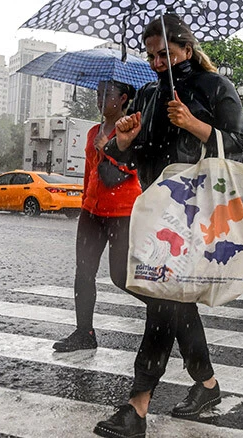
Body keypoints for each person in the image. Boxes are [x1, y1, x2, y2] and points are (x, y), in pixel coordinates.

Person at [94, 14, 243, 438]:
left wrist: (195, 124)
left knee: (166, 302)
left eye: (165, 53)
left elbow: (240, 147)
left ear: (185, 47)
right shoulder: (146, 94)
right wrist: (124, 141)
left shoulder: (215, 87)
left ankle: (137, 408)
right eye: (151, 56)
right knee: (175, 302)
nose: (158, 62)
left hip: (195, 213)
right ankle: (208, 385)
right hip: (155, 210)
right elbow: (128, 160)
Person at [52, 80, 142, 353]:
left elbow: (136, 169)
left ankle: (164, 308)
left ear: (123, 98)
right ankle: (84, 332)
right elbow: (90, 171)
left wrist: (109, 148)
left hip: (123, 212)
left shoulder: (132, 130)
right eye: (98, 94)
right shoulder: (93, 131)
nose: (100, 99)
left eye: (107, 94)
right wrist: (84, 203)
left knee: (120, 276)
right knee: (84, 272)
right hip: (92, 212)